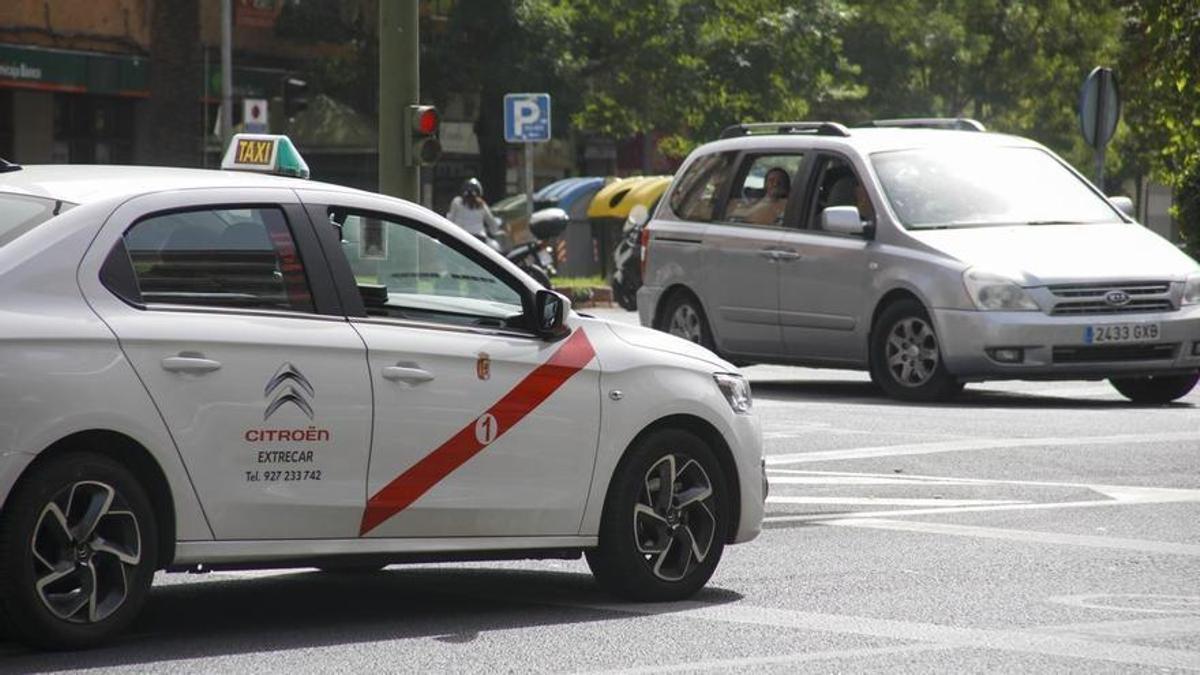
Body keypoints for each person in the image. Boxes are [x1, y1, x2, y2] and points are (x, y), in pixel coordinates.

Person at [446, 178, 503, 247]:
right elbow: (492, 223)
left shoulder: (456, 202)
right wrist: (494, 231)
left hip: (460, 238)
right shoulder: (482, 205)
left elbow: (450, 220)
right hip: (479, 239)